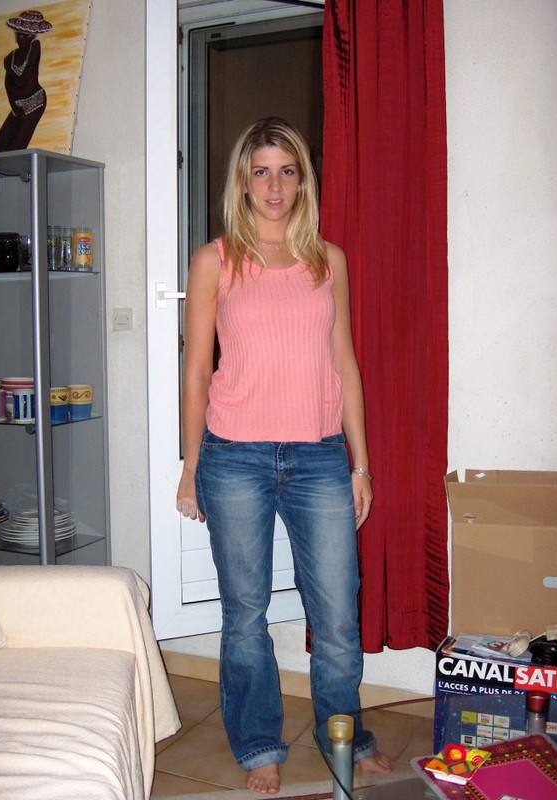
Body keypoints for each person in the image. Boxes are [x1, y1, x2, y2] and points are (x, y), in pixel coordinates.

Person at [176, 117, 393, 794]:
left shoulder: (329, 261)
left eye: (287, 171)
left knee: (337, 616)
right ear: (242, 181)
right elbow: (196, 369)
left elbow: (345, 362)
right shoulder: (215, 261)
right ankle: (258, 745)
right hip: (233, 458)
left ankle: (345, 736)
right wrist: (189, 467)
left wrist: (360, 465)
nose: (274, 187)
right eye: (261, 172)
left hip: (319, 458)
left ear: (303, 181)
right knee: (245, 615)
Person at [0, 10, 52, 153]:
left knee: (16, 148)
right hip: (17, 106)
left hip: (34, 103)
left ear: (33, 36)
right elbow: (9, 84)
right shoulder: (11, 57)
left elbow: (21, 79)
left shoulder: (34, 47)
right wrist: (15, 107)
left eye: (28, 35)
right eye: (20, 34)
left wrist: (9, 66)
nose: (22, 38)